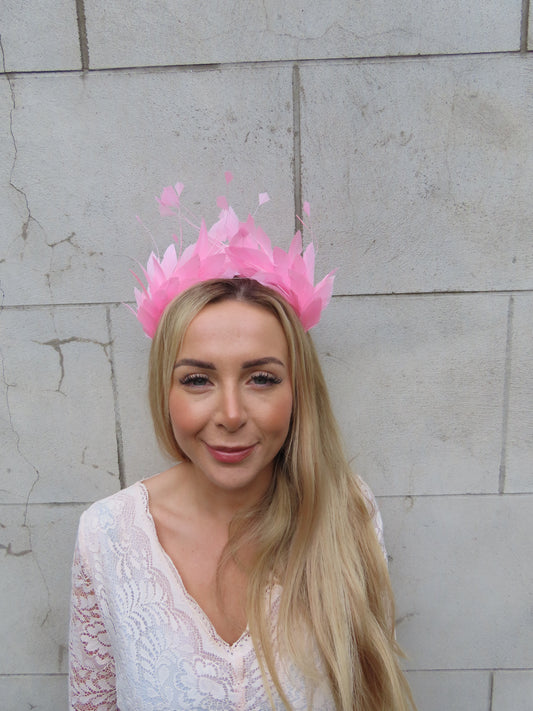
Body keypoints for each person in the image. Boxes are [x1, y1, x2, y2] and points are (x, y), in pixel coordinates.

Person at [69, 178, 416, 711]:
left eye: (261, 379)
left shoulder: (346, 511)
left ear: (298, 390)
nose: (230, 415)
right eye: (197, 380)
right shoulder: (107, 536)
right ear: (165, 391)